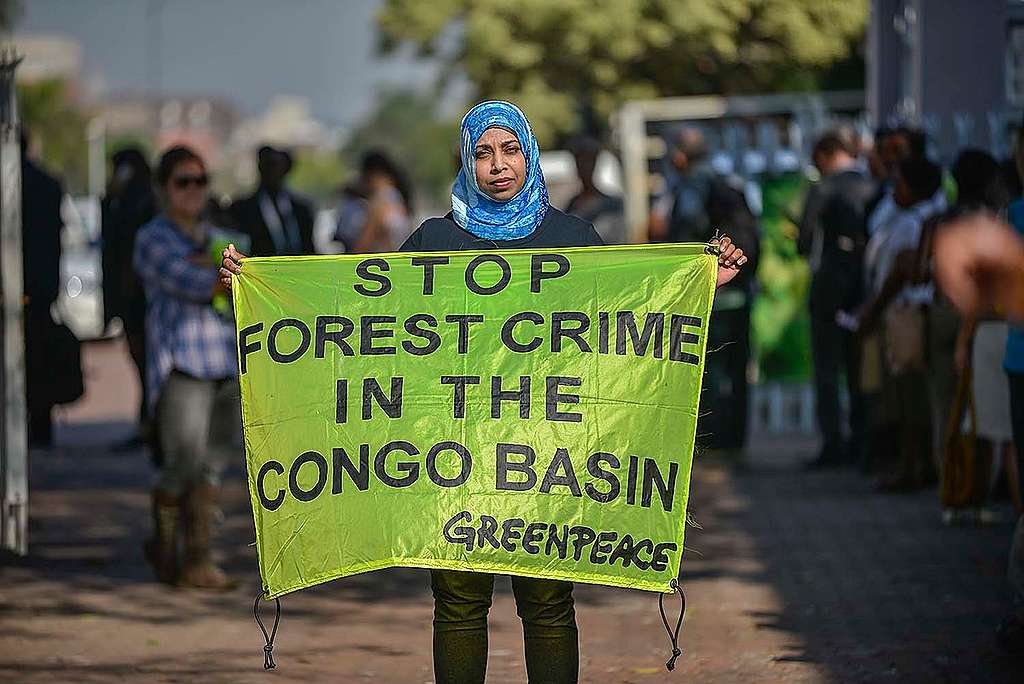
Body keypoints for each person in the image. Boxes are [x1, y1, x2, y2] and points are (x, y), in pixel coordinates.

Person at [221, 100, 748, 683]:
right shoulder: (432, 241)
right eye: (483, 153)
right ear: (467, 163)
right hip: (453, 461)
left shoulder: (574, 238)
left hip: (550, 460)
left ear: (529, 156)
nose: (498, 164)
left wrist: (701, 280)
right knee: (458, 606)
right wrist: (259, 285)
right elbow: (369, 328)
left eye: (510, 150)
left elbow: (625, 318)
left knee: (548, 606)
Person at [133, 145, 239, 590]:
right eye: (184, 181)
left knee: (213, 468)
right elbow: (193, 283)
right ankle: (164, 544)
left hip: (225, 364)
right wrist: (220, 272)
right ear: (164, 188)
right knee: (182, 464)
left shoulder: (216, 238)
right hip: (182, 368)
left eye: (200, 181)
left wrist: (220, 268)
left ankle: (198, 560)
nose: (193, 190)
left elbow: (239, 284)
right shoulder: (152, 238)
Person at [932, 211, 1024, 653]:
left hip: (1004, 350)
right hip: (1009, 351)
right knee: (1005, 440)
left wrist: (965, 337)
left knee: (1004, 440)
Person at [649, 126, 760, 452]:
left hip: (710, 295)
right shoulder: (731, 186)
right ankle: (733, 440)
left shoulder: (692, 187)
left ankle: (710, 441)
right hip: (739, 293)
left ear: (680, 156)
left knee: (706, 369)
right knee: (736, 369)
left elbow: (687, 234)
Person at [854, 155, 945, 490]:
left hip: (906, 313)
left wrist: (873, 308)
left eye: (902, 183)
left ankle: (915, 466)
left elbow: (904, 269)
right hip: (900, 311)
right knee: (904, 396)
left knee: (909, 395)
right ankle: (913, 464)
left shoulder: (914, 222)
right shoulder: (905, 218)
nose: (896, 189)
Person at [798, 131, 876, 468]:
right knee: (860, 365)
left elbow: (804, 240)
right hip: (866, 286)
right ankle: (863, 440)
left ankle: (833, 443)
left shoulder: (822, 189)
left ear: (825, 153)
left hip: (830, 284)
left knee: (827, 366)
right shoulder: (873, 185)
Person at [102, 147, 157, 446]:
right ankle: (147, 420)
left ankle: (150, 422)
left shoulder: (140, 203)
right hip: (132, 297)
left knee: (144, 358)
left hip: (139, 297)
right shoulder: (123, 201)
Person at [20, 130, 67, 448]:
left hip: (27, 286)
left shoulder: (31, 184)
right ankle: (41, 427)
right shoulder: (49, 185)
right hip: (42, 288)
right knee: (38, 360)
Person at [229, 145, 315, 257]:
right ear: (260, 168)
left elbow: (309, 248)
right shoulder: (242, 208)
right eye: (268, 165)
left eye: (277, 166)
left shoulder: (301, 209)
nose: (272, 172)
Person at [348, 149, 413, 253]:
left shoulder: (379, 201)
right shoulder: (397, 197)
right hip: (401, 261)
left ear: (371, 175)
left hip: (385, 264)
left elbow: (363, 244)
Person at [565, 136, 625, 244]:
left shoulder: (613, 204)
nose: (584, 166)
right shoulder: (571, 204)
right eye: (579, 160)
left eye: (588, 160)